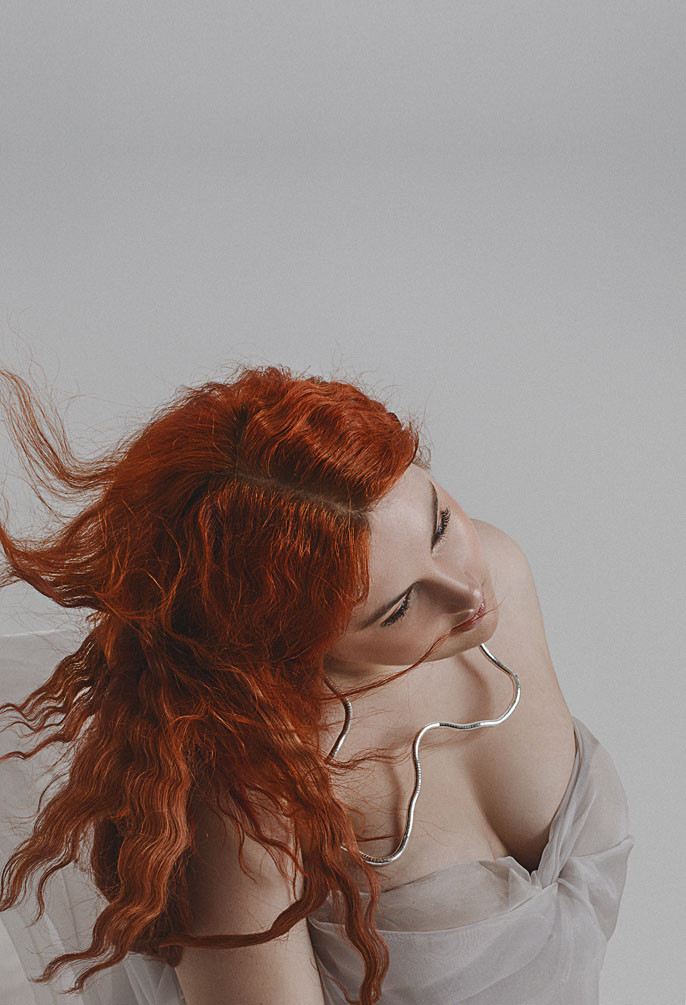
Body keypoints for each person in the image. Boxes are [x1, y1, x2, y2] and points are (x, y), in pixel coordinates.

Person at [0, 362, 634, 1005]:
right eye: (397, 609)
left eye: (440, 525)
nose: (466, 591)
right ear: (292, 644)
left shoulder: (500, 572)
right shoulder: (246, 794)